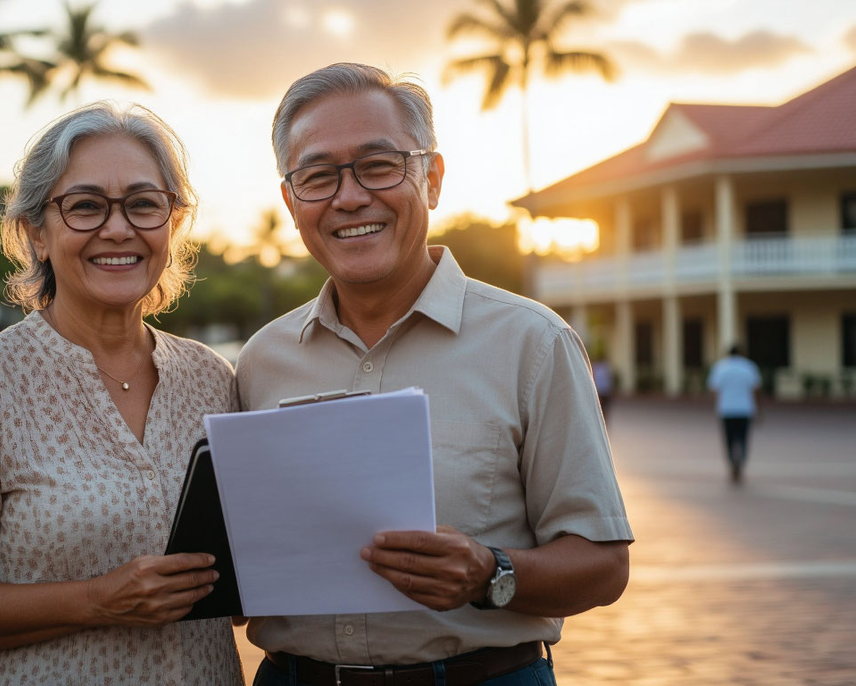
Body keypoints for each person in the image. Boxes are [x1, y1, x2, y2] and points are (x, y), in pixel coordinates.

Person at [236, 63, 633, 686]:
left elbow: (604, 567)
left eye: (379, 164)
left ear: (433, 177)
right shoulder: (261, 360)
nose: (349, 196)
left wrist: (491, 572)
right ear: (291, 201)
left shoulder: (533, 342)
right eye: (317, 176)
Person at [0, 102, 243, 685]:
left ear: (172, 225)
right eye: (84, 207)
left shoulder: (212, 378)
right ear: (37, 233)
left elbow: (239, 582)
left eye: (144, 204)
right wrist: (97, 599)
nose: (118, 228)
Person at [707, 344, 762, 483]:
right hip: (744, 409)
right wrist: (759, 409)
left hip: (726, 409)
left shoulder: (720, 367)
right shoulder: (749, 367)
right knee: (743, 439)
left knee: (729, 440)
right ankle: (741, 463)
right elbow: (755, 390)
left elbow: (714, 390)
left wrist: (714, 406)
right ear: (742, 353)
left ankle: (732, 463)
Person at [590, 352, 614, 426]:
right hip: (602, 390)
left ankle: (603, 423)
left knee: (603, 409)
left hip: (602, 390)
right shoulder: (604, 367)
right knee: (602, 409)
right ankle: (603, 423)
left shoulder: (599, 367)